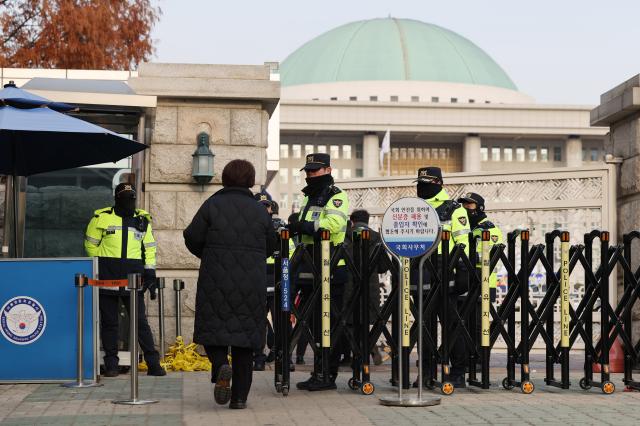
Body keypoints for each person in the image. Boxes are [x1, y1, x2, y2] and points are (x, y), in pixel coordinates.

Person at [184, 159, 276, 409]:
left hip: (215, 278)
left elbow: (191, 236)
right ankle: (239, 399)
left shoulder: (212, 205)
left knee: (213, 331)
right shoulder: (259, 210)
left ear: (224, 178)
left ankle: (220, 365)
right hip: (251, 283)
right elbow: (273, 243)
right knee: (245, 342)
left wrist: (209, 255)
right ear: (249, 180)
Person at [84, 182, 165, 377]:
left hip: (133, 278)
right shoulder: (101, 218)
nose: (130, 202)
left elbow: (150, 248)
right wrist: (103, 265)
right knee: (110, 323)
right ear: (116, 198)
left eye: (132, 198)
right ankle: (111, 365)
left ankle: (153, 364)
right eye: (126, 198)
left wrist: (150, 273)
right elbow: (90, 246)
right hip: (106, 278)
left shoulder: (142, 220)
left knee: (140, 322)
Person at [288, 152, 349, 391]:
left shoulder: (336, 196)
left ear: (328, 170)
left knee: (329, 324)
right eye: (308, 171)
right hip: (309, 266)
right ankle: (318, 372)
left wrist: (302, 225)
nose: (310, 175)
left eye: (315, 171)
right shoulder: (309, 197)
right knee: (313, 324)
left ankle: (328, 375)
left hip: (331, 266)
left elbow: (333, 226)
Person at [414, 166, 471, 388]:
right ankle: (426, 373)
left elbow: (463, 243)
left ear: (438, 183)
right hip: (421, 269)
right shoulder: (415, 208)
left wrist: (463, 272)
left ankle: (457, 373)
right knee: (424, 325)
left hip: (445, 269)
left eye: (426, 183)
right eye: (419, 183)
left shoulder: (454, 210)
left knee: (451, 324)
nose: (421, 187)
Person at [343, 209, 391, 365]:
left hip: (348, 284)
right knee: (367, 321)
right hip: (371, 286)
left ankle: (355, 356)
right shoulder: (376, 238)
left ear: (352, 221)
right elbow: (384, 266)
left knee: (349, 322)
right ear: (368, 221)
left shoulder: (345, 236)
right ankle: (371, 349)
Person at [457, 192, 503, 303]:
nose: (466, 207)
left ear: (480, 207)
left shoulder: (490, 229)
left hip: (483, 282)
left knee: (478, 320)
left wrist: (466, 258)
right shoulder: (465, 228)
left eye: (470, 204)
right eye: (464, 204)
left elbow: (492, 256)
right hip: (464, 281)